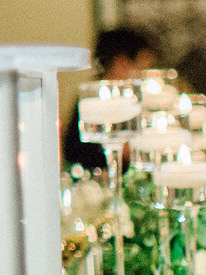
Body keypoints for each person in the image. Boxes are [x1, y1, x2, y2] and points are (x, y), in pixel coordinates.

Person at [63, 26, 159, 173]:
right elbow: (76, 154)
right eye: (143, 68)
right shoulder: (92, 104)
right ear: (122, 63)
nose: (144, 77)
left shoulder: (134, 101)